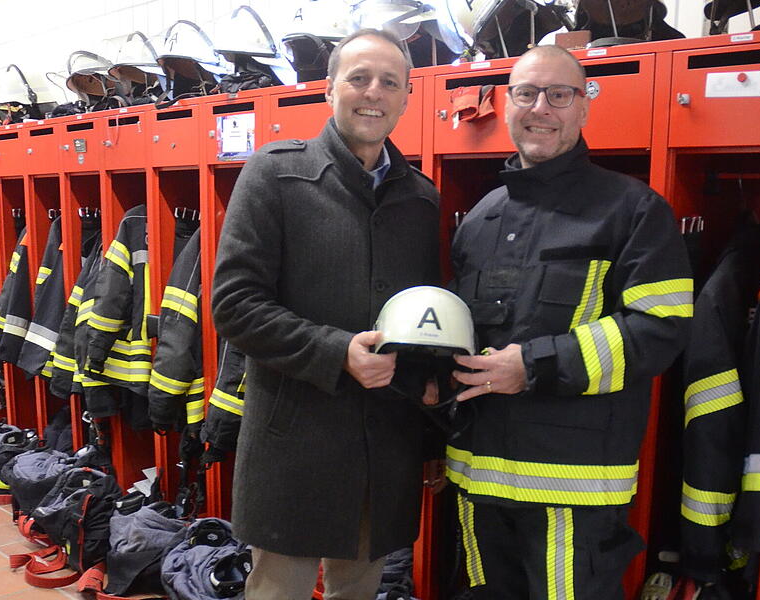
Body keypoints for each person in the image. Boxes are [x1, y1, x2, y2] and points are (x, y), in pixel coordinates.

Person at [445, 44, 693, 599]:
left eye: (560, 95)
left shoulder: (634, 210)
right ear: (506, 105)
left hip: (574, 492)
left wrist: (530, 367)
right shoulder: (480, 219)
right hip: (477, 481)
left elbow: (660, 329)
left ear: (584, 108)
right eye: (527, 93)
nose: (542, 108)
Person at [211, 28, 441, 600]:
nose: (373, 92)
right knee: (277, 591)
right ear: (329, 89)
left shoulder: (421, 199)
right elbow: (234, 304)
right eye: (358, 78)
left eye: (390, 82)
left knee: (359, 590)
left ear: (407, 97)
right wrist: (337, 352)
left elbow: (427, 327)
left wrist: (432, 437)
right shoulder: (274, 174)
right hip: (295, 443)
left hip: (384, 445)